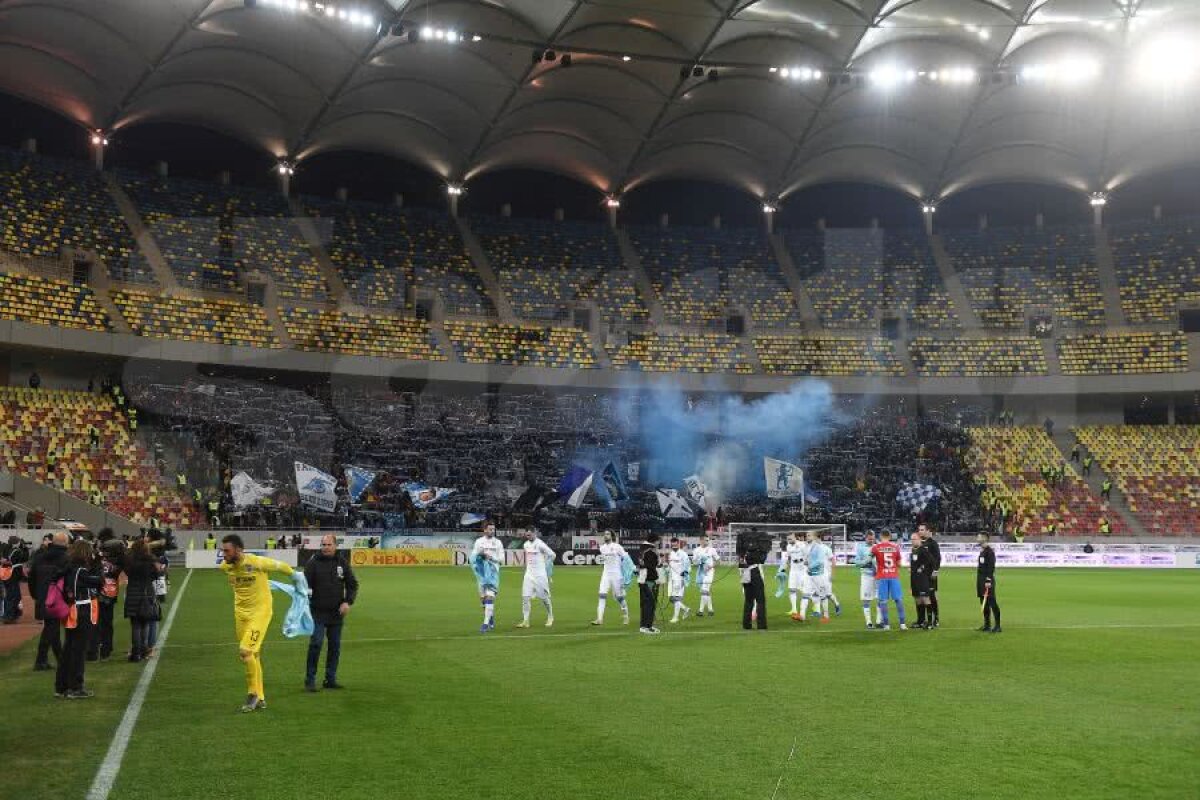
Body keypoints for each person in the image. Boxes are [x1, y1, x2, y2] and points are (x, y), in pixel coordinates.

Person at [219, 534, 297, 712]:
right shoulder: (226, 567)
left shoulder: (256, 562)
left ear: (238, 550)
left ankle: (252, 694)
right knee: (252, 656)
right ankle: (261, 698)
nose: (223, 554)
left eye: (226, 550)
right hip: (240, 615)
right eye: (223, 550)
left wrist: (296, 577)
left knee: (245, 652)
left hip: (260, 613)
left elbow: (281, 566)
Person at [304, 533, 358, 691]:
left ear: (335, 546)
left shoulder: (342, 562)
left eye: (329, 545)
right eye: (324, 545)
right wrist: (307, 600)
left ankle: (330, 679)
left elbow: (352, 584)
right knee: (316, 644)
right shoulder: (313, 563)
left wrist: (348, 602)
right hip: (317, 612)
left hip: (336, 613)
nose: (326, 548)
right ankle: (310, 680)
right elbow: (304, 586)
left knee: (335, 647)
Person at [55, 539, 100, 698]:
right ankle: (76, 686)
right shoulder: (80, 571)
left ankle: (62, 686)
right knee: (78, 650)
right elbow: (98, 581)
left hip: (72, 611)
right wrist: (97, 564)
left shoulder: (69, 569)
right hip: (81, 611)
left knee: (69, 648)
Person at [28, 531, 68, 670]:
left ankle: (60, 658)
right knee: (51, 628)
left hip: (42, 595)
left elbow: (31, 578)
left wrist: (36, 595)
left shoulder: (40, 557)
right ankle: (41, 660)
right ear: (66, 543)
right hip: (57, 597)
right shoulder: (65, 558)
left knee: (52, 627)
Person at [123, 539, 161, 662]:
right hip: (147, 593)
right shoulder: (150, 561)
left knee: (135, 625)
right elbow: (156, 575)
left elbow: (127, 573)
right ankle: (144, 651)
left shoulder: (130, 561)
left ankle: (136, 653)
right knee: (145, 623)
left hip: (133, 593)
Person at [88, 537, 122, 661]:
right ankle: (106, 649)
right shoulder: (116, 561)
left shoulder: (96, 559)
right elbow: (116, 573)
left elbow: (91, 572)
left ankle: (95, 649)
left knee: (96, 622)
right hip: (110, 594)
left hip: (97, 593)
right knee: (107, 623)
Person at [516, 530, 555, 628]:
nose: (528, 536)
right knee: (525, 598)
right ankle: (526, 621)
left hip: (540, 575)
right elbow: (528, 559)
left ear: (535, 533)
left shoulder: (540, 544)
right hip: (529, 575)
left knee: (544, 598)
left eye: (530, 534)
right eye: (527, 535)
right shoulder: (525, 545)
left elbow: (552, 555)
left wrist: (546, 566)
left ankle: (550, 616)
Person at [870, 530, 907, 631]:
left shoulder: (876, 547)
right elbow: (899, 564)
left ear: (880, 536)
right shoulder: (895, 547)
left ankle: (886, 625)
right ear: (890, 536)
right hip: (894, 576)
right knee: (898, 600)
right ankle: (902, 624)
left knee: (883, 601)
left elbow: (869, 560)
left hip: (882, 576)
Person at [470, 524, 504, 633]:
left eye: (493, 529)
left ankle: (485, 624)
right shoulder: (479, 542)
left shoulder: (498, 542)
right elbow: (473, 556)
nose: (492, 531)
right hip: (482, 574)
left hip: (493, 574)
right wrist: (481, 554)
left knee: (490, 597)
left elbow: (502, 559)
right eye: (490, 529)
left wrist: (491, 558)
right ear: (485, 530)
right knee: (484, 600)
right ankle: (490, 617)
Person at [592, 532, 629, 626]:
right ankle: (599, 619)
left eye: (608, 534)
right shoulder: (602, 548)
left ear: (612, 536)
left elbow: (626, 558)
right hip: (606, 575)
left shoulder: (617, 547)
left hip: (617, 575)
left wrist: (627, 572)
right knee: (602, 595)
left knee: (620, 598)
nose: (605, 535)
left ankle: (626, 616)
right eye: (604, 534)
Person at [803, 532, 834, 623]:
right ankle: (804, 615)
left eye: (809, 535)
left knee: (823, 595)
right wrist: (806, 562)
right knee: (808, 594)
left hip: (819, 575)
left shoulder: (819, 548)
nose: (807, 537)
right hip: (810, 575)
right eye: (807, 535)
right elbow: (808, 559)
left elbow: (820, 561)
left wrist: (810, 566)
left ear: (814, 537)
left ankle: (826, 615)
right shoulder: (809, 548)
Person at [854, 531, 882, 629]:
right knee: (866, 600)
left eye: (873, 538)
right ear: (865, 538)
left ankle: (879, 621)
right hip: (867, 576)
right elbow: (856, 562)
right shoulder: (861, 548)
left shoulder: (878, 547)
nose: (871, 540)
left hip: (878, 576)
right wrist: (864, 563)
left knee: (880, 598)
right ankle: (869, 622)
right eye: (870, 539)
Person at [919, 523, 942, 628]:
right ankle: (925, 619)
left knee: (932, 596)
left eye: (922, 529)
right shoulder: (921, 544)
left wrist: (935, 572)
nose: (920, 531)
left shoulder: (933, 544)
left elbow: (938, 559)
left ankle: (936, 618)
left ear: (928, 531)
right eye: (919, 530)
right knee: (924, 596)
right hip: (922, 576)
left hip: (931, 575)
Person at [977, 534, 1001, 633]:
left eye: (979, 537)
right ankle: (987, 625)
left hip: (987, 580)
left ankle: (998, 626)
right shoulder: (982, 551)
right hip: (981, 580)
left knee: (992, 602)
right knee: (984, 602)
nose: (977, 538)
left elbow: (991, 567)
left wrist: (988, 580)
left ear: (985, 538)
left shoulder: (989, 552)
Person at [909, 532, 933, 629]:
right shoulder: (913, 550)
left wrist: (922, 568)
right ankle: (920, 621)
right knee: (917, 599)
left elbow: (931, 561)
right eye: (911, 539)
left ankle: (930, 622)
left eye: (914, 539)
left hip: (922, 579)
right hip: (914, 579)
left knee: (925, 599)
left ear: (919, 539)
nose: (912, 541)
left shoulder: (923, 550)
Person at [637, 535, 661, 635]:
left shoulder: (643, 549)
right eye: (658, 541)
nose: (659, 544)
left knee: (646, 604)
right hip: (648, 581)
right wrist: (657, 577)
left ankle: (646, 626)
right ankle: (646, 626)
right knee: (649, 604)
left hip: (643, 580)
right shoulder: (650, 551)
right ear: (654, 541)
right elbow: (651, 567)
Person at [692, 535, 720, 617]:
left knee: (704, 590)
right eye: (706, 540)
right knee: (705, 591)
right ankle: (711, 610)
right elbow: (694, 562)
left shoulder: (712, 550)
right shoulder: (696, 550)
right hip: (700, 572)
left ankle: (700, 611)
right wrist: (698, 562)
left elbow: (718, 561)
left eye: (708, 540)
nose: (707, 542)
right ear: (701, 541)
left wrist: (711, 566)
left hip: (709, 572)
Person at [739, 549, 767, 630]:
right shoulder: (756, 549)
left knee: (748, 601)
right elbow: (762, 560)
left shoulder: (742, 552)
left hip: (745, 574)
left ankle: (746, 624)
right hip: (754, 572)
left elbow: (741, 566)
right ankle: (761, 625)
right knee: (760, 600)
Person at [783, 532, 807, 621]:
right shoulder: (788, 547)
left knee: (804, 590)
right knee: (792, 589)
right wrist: (784, 569)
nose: (789, 540)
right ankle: (794, 610)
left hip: (802, 569)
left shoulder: (802, 545)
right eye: (788, 539)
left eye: (790, 539)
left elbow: (807, 555)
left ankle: (814, 606)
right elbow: (788, 558)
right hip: (793, 569)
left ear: (794, 537)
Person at [666, 538, 691, 623]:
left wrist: (685, 572)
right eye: (672, 544)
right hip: (671, 579)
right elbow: (670, 566)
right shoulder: (670, 554)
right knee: (671, 598)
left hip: (679, 578)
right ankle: (686, 609)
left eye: (675, 544)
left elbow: (688, 566)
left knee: (676, 598)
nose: (674, 546)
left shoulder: (683, 554)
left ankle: (675, 617)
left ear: (678, 544)